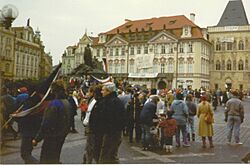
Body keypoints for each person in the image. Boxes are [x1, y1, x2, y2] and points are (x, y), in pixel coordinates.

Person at [32, 80, 71, 164]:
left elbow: (46, 123)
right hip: (61, 136)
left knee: (46, 160)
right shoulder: (67, 102)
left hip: (51, 138)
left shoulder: (54, 104)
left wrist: (37, 139)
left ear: (53, 91)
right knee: (55, 158)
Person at [90, 82, 127, 163]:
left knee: (106, 157)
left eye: (103, 90)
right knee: (110, 156)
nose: (101, 92)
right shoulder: (111, 100)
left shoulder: (111, 102)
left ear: (108, 91)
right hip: (109, 133)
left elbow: (107, 119)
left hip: (109, 134)